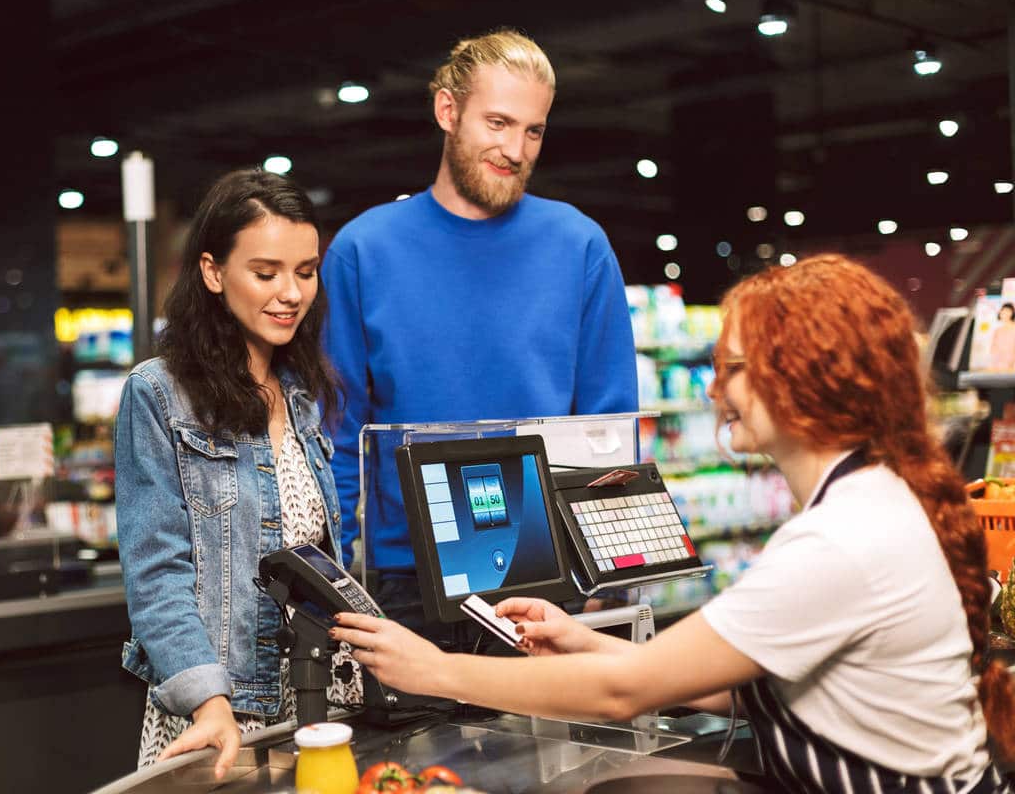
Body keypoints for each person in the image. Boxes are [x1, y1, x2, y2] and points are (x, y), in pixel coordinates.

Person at [333, 254, 1015, 792]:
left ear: (806, 380)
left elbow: (623, 695)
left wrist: (434, 669)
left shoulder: (839, 540)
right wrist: (585, 641)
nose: (716, 390)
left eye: (734, 369)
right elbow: (758, 680)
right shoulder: (869, 502)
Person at [322, 29, 638, 624]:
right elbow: (338, 432)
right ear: (448, 111)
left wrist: (611, 564)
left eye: (533, 130)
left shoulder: (580, 246)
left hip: (550, 577)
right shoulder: (364, 250)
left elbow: (608, 424)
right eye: (498, 122)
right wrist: (332, 577)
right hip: (402, 582)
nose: (515, 149)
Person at [115, 169, 358, 777]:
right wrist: (209, 699)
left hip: (319, 702)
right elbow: (156, 574)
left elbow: (325, 562)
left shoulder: (300, 394)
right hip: (222, 712)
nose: (291, 293)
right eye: (266, 272)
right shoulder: (157, 394)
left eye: (305, 271)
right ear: (213, 272)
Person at [990, 303, 1015, 370]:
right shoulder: (998, 331)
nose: (1005, 314)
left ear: (1012, 313)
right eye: (1003, 311)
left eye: (1008, 311)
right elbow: (993, 349)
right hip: (999, 365)